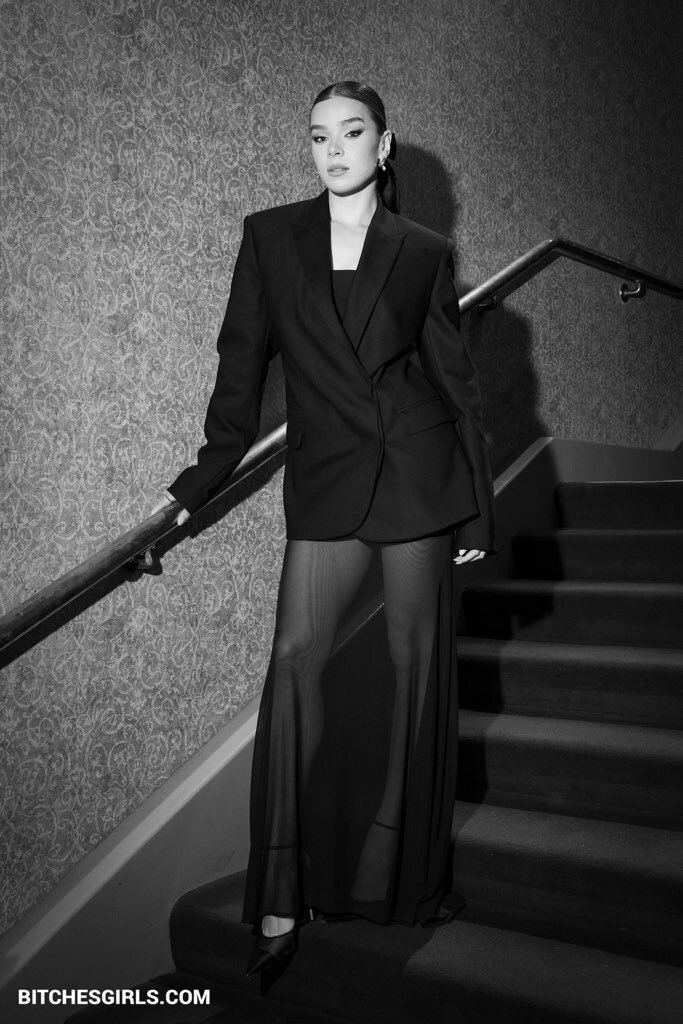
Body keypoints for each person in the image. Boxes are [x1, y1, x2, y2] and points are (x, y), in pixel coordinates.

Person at [153, 81, 495, 977]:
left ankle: (398, 881)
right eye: (318, 136)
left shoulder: (423, 250)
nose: (333, 150)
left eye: (351, 133)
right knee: (296, 659)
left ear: (384, 145)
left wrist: (476, 504)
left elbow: (452, 380)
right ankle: (278, 894)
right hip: (328, 480)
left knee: (413, 674)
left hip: (418, 478)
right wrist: (198, 481)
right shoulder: (271, 237)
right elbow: (240, 364)